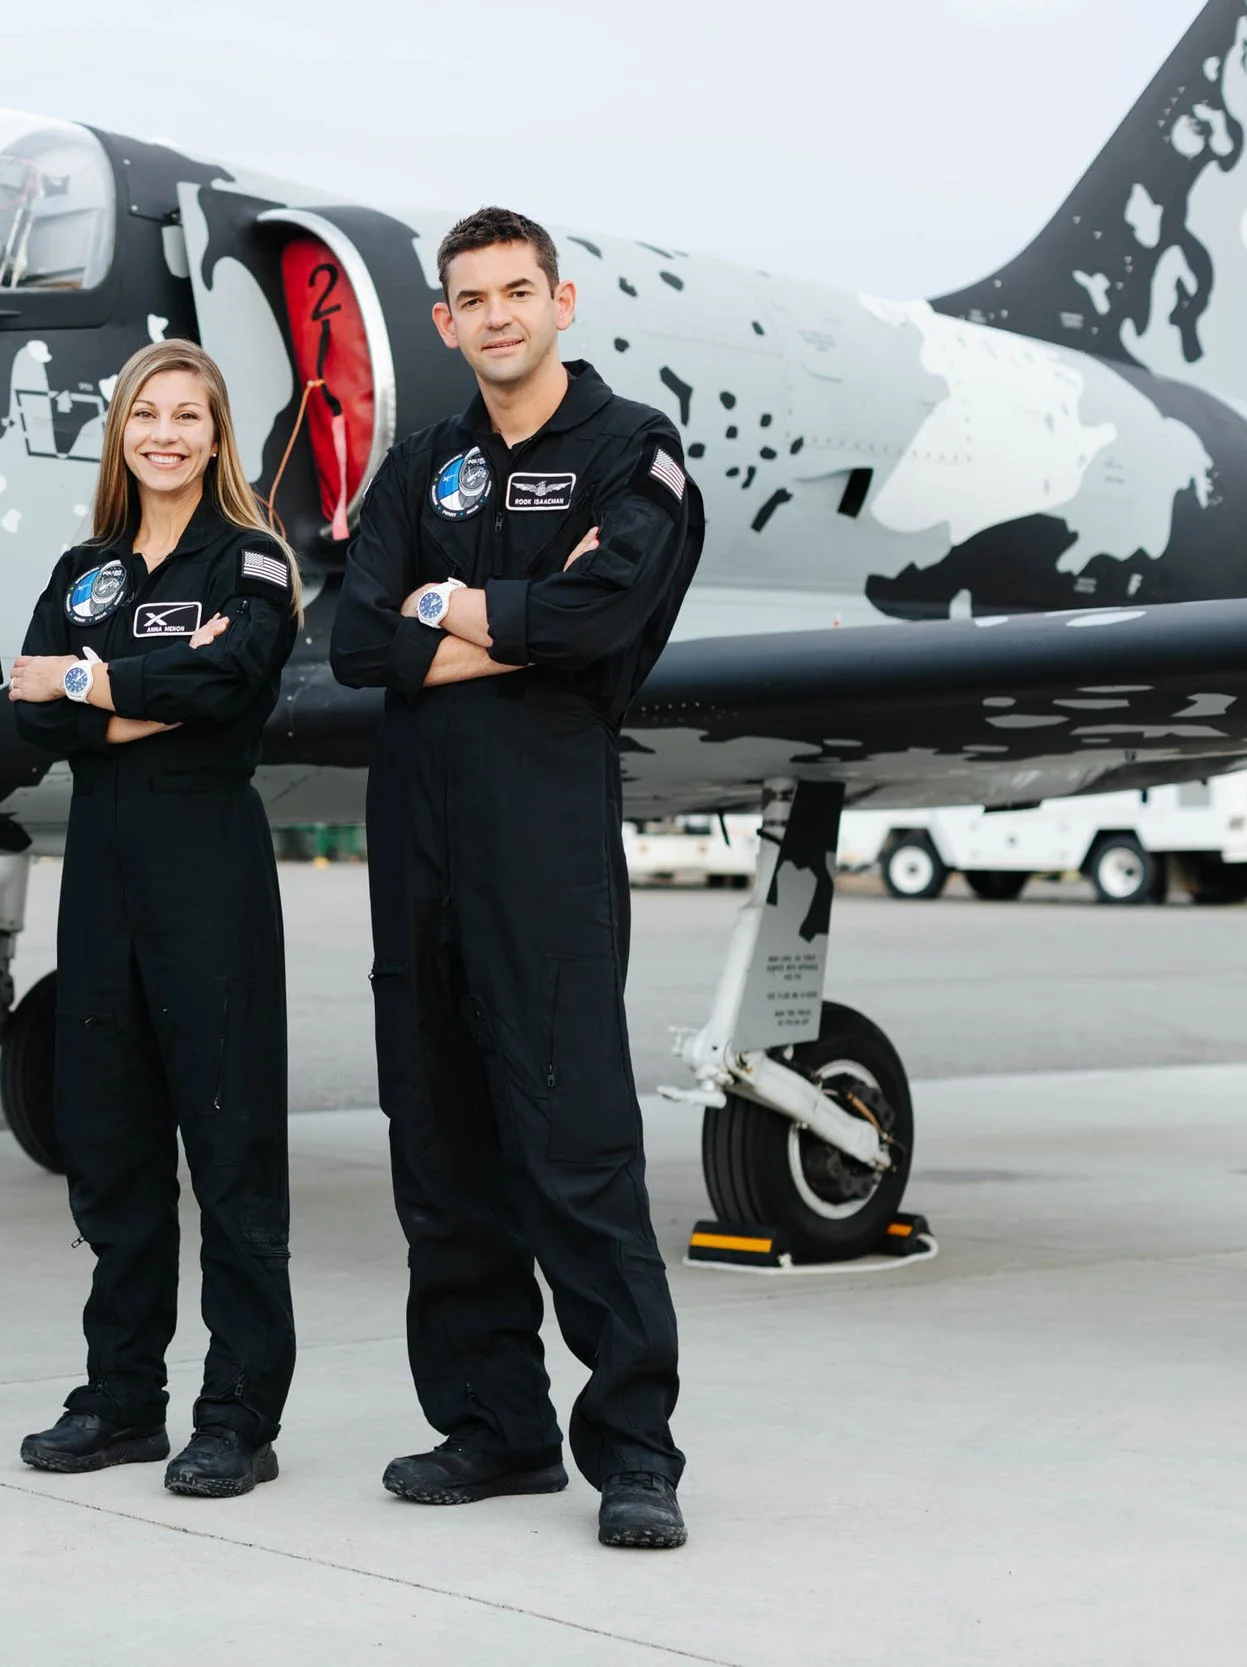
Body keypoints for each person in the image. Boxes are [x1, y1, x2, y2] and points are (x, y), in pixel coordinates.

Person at [330, 207, 704, 1548]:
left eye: (515, 292)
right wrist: (510, 620)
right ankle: (495, 1427)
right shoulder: (422, 463)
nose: (494, 316)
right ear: (443, 321)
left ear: (563, 300)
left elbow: (611, 613)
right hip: (415, 848)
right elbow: (355, 633)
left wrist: (451, 606)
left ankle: (636, 1451)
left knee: (575, 1149)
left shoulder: (629, 450)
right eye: (469, 299)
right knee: (440, 1150)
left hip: (542, 844)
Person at [8, 339, 300, 1499]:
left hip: (205, 871)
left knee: (228, 1151)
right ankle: (122, 1397)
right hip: (102, 879)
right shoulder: (85, 569)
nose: (165, 433)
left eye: (188, 415)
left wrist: (89, 685)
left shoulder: (255, 560)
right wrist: (125, 691)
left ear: (216, 435)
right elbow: (26, 712)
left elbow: (230, 689)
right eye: (146, 414)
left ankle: (235, 1412)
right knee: (112, 1148)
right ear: (120, 432)